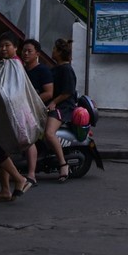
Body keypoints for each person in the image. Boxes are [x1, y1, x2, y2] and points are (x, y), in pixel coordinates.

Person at [0, 33, 41, 203]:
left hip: (13, 118)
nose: (3, 48)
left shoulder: (14, 65)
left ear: (15, 47)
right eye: (1, 46)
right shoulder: (5, 65)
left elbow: (6, 91)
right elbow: (0, 89)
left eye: (7, 45)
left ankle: (19, 179)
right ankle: (4, 190)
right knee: (1, 152)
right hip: (4, 117)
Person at [20, 38, 53, 185]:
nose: (26, 53)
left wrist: (32, 101)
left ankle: (31, 174)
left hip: (37, 111)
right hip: (21, 108)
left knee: (29, 138)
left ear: (37, 54)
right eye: (24, 51)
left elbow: (49, 92)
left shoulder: (43, 70)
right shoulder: (22, 70)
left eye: (29, 51)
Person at [44, 37, 77, 182]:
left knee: (49, 133)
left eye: (54, 49)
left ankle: (63, 164)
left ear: (59, 52)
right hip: (54, 104)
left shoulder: (66, 69)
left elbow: (67, 92)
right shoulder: (56, 68)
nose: (52, 51)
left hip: (63, 106)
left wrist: (53, 103)